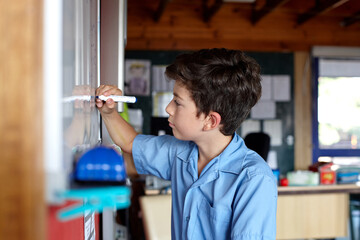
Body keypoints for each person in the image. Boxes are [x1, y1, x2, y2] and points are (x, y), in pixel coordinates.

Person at [96, 48, 277, 240]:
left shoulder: (254, 180)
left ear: (210, 121)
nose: (168, 108)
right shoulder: (180, 153)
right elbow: (131, 142)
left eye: (177, 102)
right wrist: (109, 112)